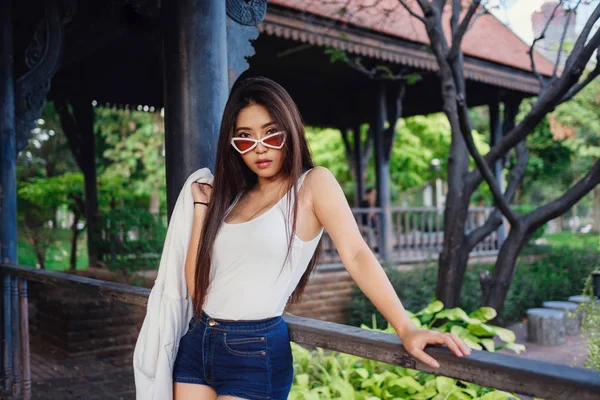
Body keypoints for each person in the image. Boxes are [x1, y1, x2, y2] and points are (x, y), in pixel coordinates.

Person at [172, 77, 470, 400]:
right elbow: (197, 290)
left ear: (290, 128)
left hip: (253, 353)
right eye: (245, 139)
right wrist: (202, 209)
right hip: (198, 342)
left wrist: (406, 327)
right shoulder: (232, 197)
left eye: (271, 133)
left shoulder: (313, 185)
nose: (259, 148)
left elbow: (356, 254)